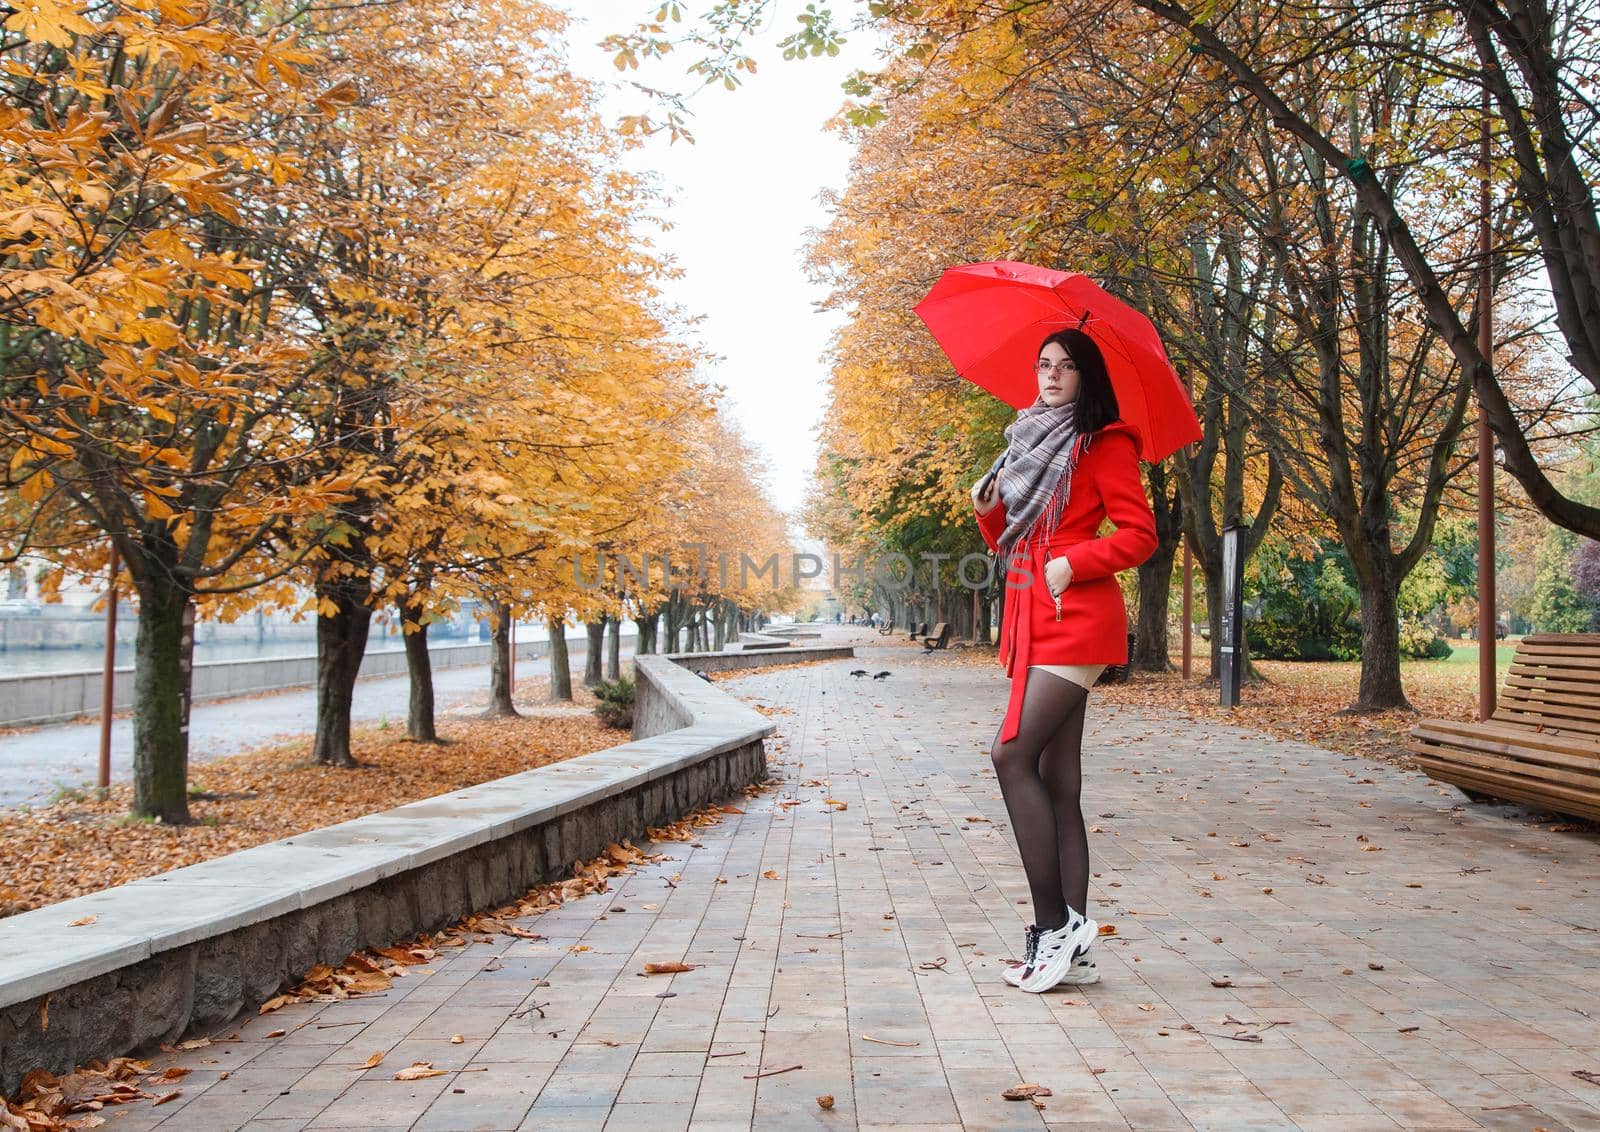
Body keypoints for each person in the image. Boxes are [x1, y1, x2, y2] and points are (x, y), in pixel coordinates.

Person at [971, 327, 1158, 993]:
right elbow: (1012, 540)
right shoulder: (1024, 442)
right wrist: (990, 514)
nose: (1051, 376)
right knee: (1059, 781)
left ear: (1087, 378)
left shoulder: (1102, 444)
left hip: (1075, 617)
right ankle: (1072, 940)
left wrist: (1073, 562)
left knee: (1010, 755)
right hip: (1031, 617)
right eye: (1043, 364)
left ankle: (1053, 926)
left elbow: (1140, 535)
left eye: (1067, 367)